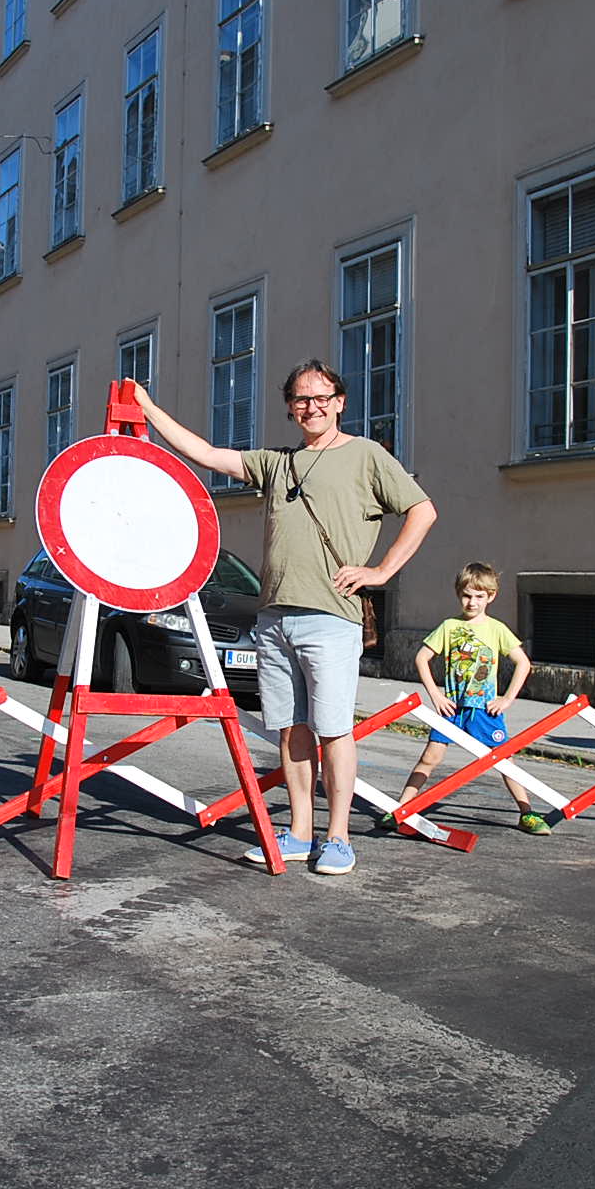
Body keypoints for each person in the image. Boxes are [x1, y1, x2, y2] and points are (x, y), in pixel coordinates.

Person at [133, 363, 437, 876]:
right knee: (291, 731)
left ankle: (338, 838)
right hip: (273, 618)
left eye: (321, 397)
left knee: (334, 730)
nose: (311, 407)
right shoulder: (279, 463)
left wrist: (381, 570)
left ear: (340, 401)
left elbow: (422, 510)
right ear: (289, 406)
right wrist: (148, 409)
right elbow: (208, 454)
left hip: (331, 617)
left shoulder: (366, 456)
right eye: (300, 399)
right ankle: (299, 832)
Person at [378, 562, 552, 835]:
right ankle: (401, 808)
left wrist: (506, 698)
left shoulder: (497, 629)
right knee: (429, 758)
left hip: (484, 709)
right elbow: (422, 658)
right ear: (459, 594)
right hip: (452, 708)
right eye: (467, 595)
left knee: (504, 760)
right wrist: (435, 694)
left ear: (491, 596)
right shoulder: (449, 626)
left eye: (479, 596)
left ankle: (527, 813)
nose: (472, 602)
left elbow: (523, 663)